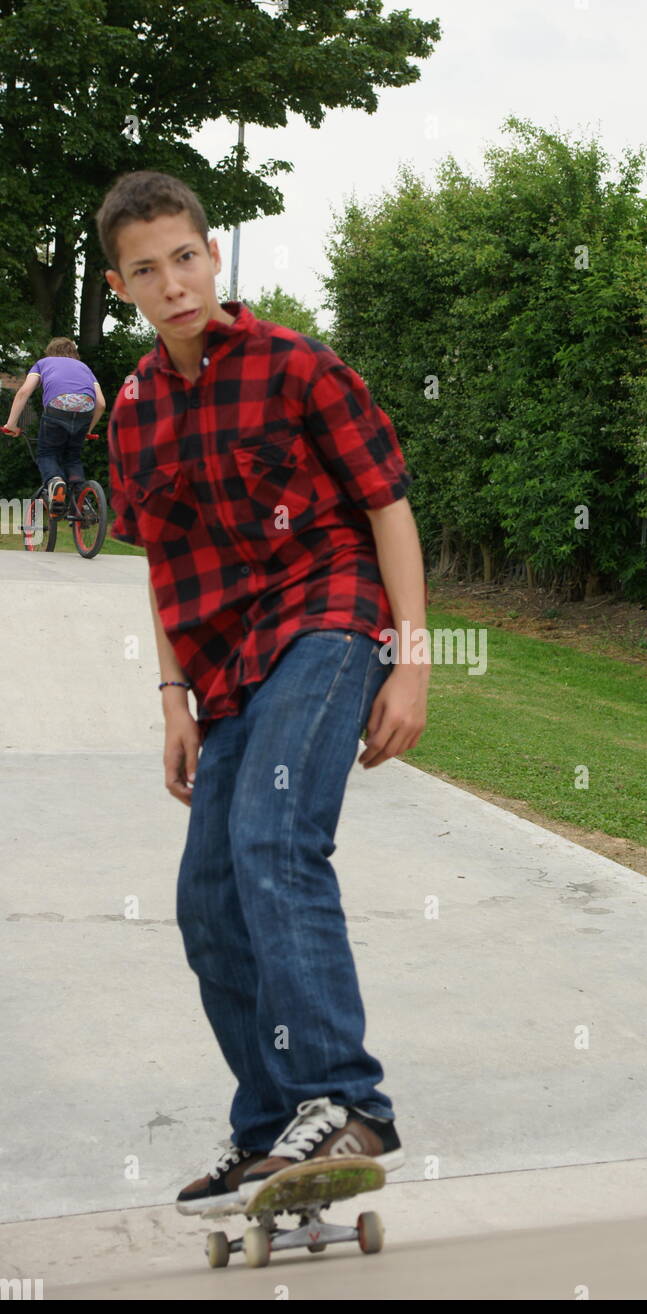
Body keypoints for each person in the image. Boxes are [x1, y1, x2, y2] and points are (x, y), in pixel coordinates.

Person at [96, 169, 430, 1215]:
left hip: (328, 620)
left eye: (185, 257)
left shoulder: (298, 368)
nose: (174, 283)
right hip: (225, 665)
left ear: (213, 254)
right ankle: (273, 1129)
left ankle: (344, 1100)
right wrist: (169, 698)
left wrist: (411, 659)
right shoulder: (134, 409)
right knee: (207, 899)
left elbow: (389, 508)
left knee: (273, 838)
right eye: (147, 270)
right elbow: (158, 563)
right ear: (122, 287)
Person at [3, 339, 106, 515]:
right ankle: (83, 500)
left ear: (50, 351)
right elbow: (101, 404)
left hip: (57, 409)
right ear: (74, 353)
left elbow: (23, 392)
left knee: (47, 453)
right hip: (85, 410)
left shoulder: (42, 363)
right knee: (73, 456)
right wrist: (88, 430)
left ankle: (54, 482)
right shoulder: (84, 368)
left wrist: (11, 424)